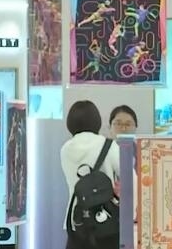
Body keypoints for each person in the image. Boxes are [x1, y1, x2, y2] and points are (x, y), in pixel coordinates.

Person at [61, 100, 120, 249]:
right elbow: (130, 178)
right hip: (105, 218)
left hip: (76, 219)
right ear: (97, 121)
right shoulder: (109, 146)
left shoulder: (65, 149)